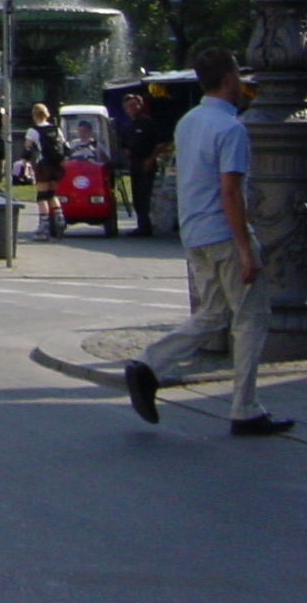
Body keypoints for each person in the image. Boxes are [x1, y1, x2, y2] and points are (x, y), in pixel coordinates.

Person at [125, 49, 294, 437]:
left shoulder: (188, 122)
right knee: (253, 317)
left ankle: (148, 363)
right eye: (237, 74)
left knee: (215, 313)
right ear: (229, 78)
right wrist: (246, 249)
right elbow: (230, 192)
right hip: (223, 233)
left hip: (195, 233)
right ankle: (245, 408)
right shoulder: (231, 129)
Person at [122, 92, 160, 239]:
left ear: (140, 106)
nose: (132, 107)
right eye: (129, 105)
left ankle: (147, 226)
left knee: (145, 195)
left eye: (134, 104)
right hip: (134, 163)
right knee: (137, 195)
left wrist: (151, 159)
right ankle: (141, 225)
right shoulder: (127, 126)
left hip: (146, 162)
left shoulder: (147, 122)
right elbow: (123, 144)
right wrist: (125, 151)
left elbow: (159, 144)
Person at [26, 103, 65, 238]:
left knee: (42, 196)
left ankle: (44, 227)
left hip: (44, 164)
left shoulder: (33, 130)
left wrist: (23, 163)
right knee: (52, 194)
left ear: (34, 115)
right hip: (57, 165)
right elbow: (65, 146)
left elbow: (28, 149)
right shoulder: (56, 129)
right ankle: (60, 220)